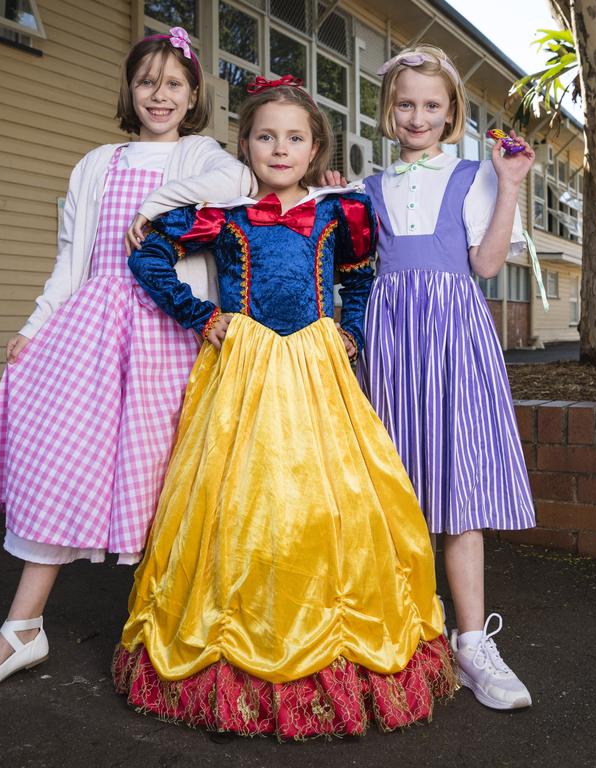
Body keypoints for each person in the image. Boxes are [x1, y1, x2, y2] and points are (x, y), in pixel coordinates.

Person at [113, 77, 453, 739]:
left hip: (317, 371)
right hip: (244, 370)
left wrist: (349, 329)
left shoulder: (338, 212)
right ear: (246, 143)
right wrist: (200, 315)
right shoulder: (226, 213)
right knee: (240, 500)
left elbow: (358, 274)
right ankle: (241, 638)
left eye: (294, 137)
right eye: (266, 136)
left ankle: (333, 633)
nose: (280, 147)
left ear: (315, 146)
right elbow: (150, 256)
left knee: (336, 499)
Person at [0, 27, 257, 694]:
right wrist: (34, 328)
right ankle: (22, 627)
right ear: (130, 89)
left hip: (170, 332)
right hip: (95, 326)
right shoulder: (98, 163)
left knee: (175, 478)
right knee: (64, 459)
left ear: (193, 94)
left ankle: (182, 636)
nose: (160, 95)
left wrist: (156, 204)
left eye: (174, 84)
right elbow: (72, 258)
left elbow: (238, 181)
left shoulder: (203, 155)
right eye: (147, 82)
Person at [358, 45, 536, 710]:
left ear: (451, 111)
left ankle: (470, 643)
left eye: (432, 105)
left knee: (457, 483)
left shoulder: (471, 174)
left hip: (454, 336)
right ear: (389, 109)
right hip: (392, 339)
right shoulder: (369, 187)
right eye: (405, 103)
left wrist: (511, 184)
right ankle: (401, 633)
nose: (417, 115)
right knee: (394, 488)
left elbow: (487, 265)